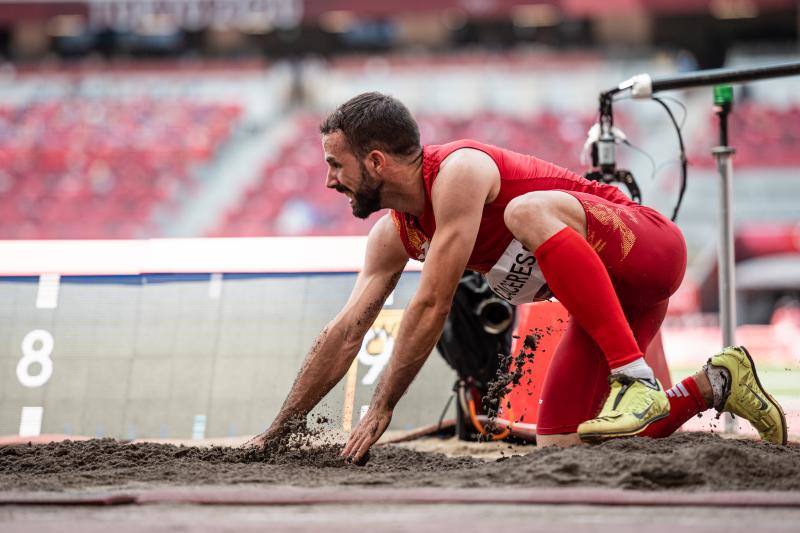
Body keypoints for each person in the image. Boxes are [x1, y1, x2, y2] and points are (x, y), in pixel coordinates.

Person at [247, 92, 787, 462]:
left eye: (336, 165)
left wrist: (383, 405)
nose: (327, 181)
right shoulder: (392, 235)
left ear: (378, 162)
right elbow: (346, 332)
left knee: (522, 212)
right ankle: (716, 383)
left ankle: (634, 378)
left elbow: (432, 304)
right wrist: (279, 430)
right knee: (563, 446)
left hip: (649, 249)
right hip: (615, 307)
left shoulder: (458, 171)